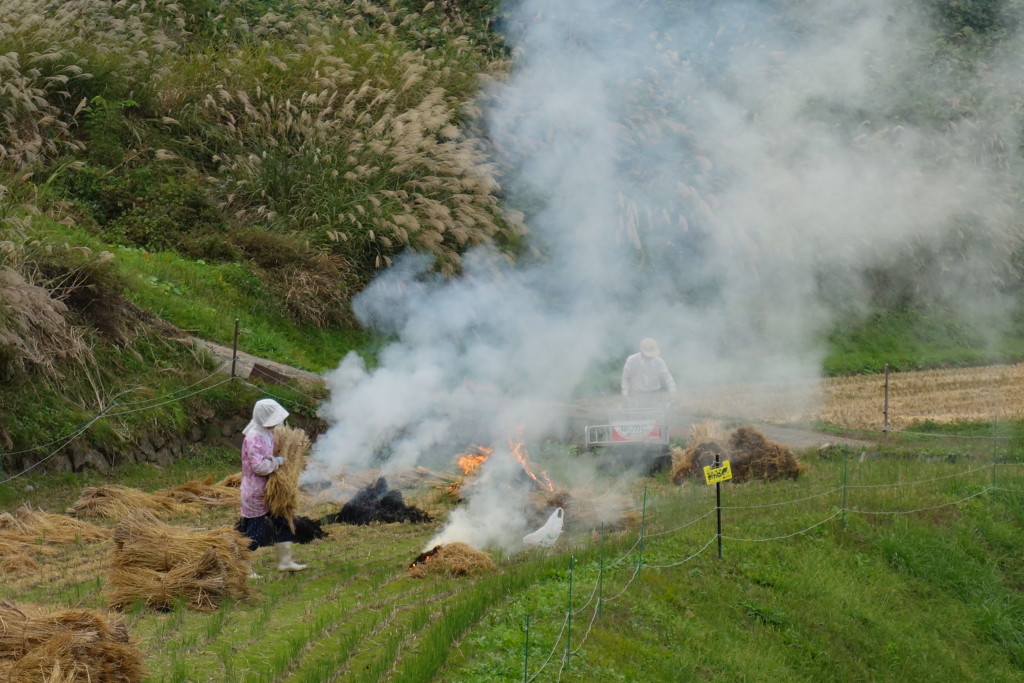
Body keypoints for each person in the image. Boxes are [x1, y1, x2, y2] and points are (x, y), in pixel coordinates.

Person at [237, 398, 306, 574]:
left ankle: (285, 561)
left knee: (284, 520)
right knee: (255, 532)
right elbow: (258, 467)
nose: (276, 423)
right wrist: (276, 462)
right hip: (255, 492)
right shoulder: (254, 437)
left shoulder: (268, 433)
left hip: (271, 490)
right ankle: (243, 568)